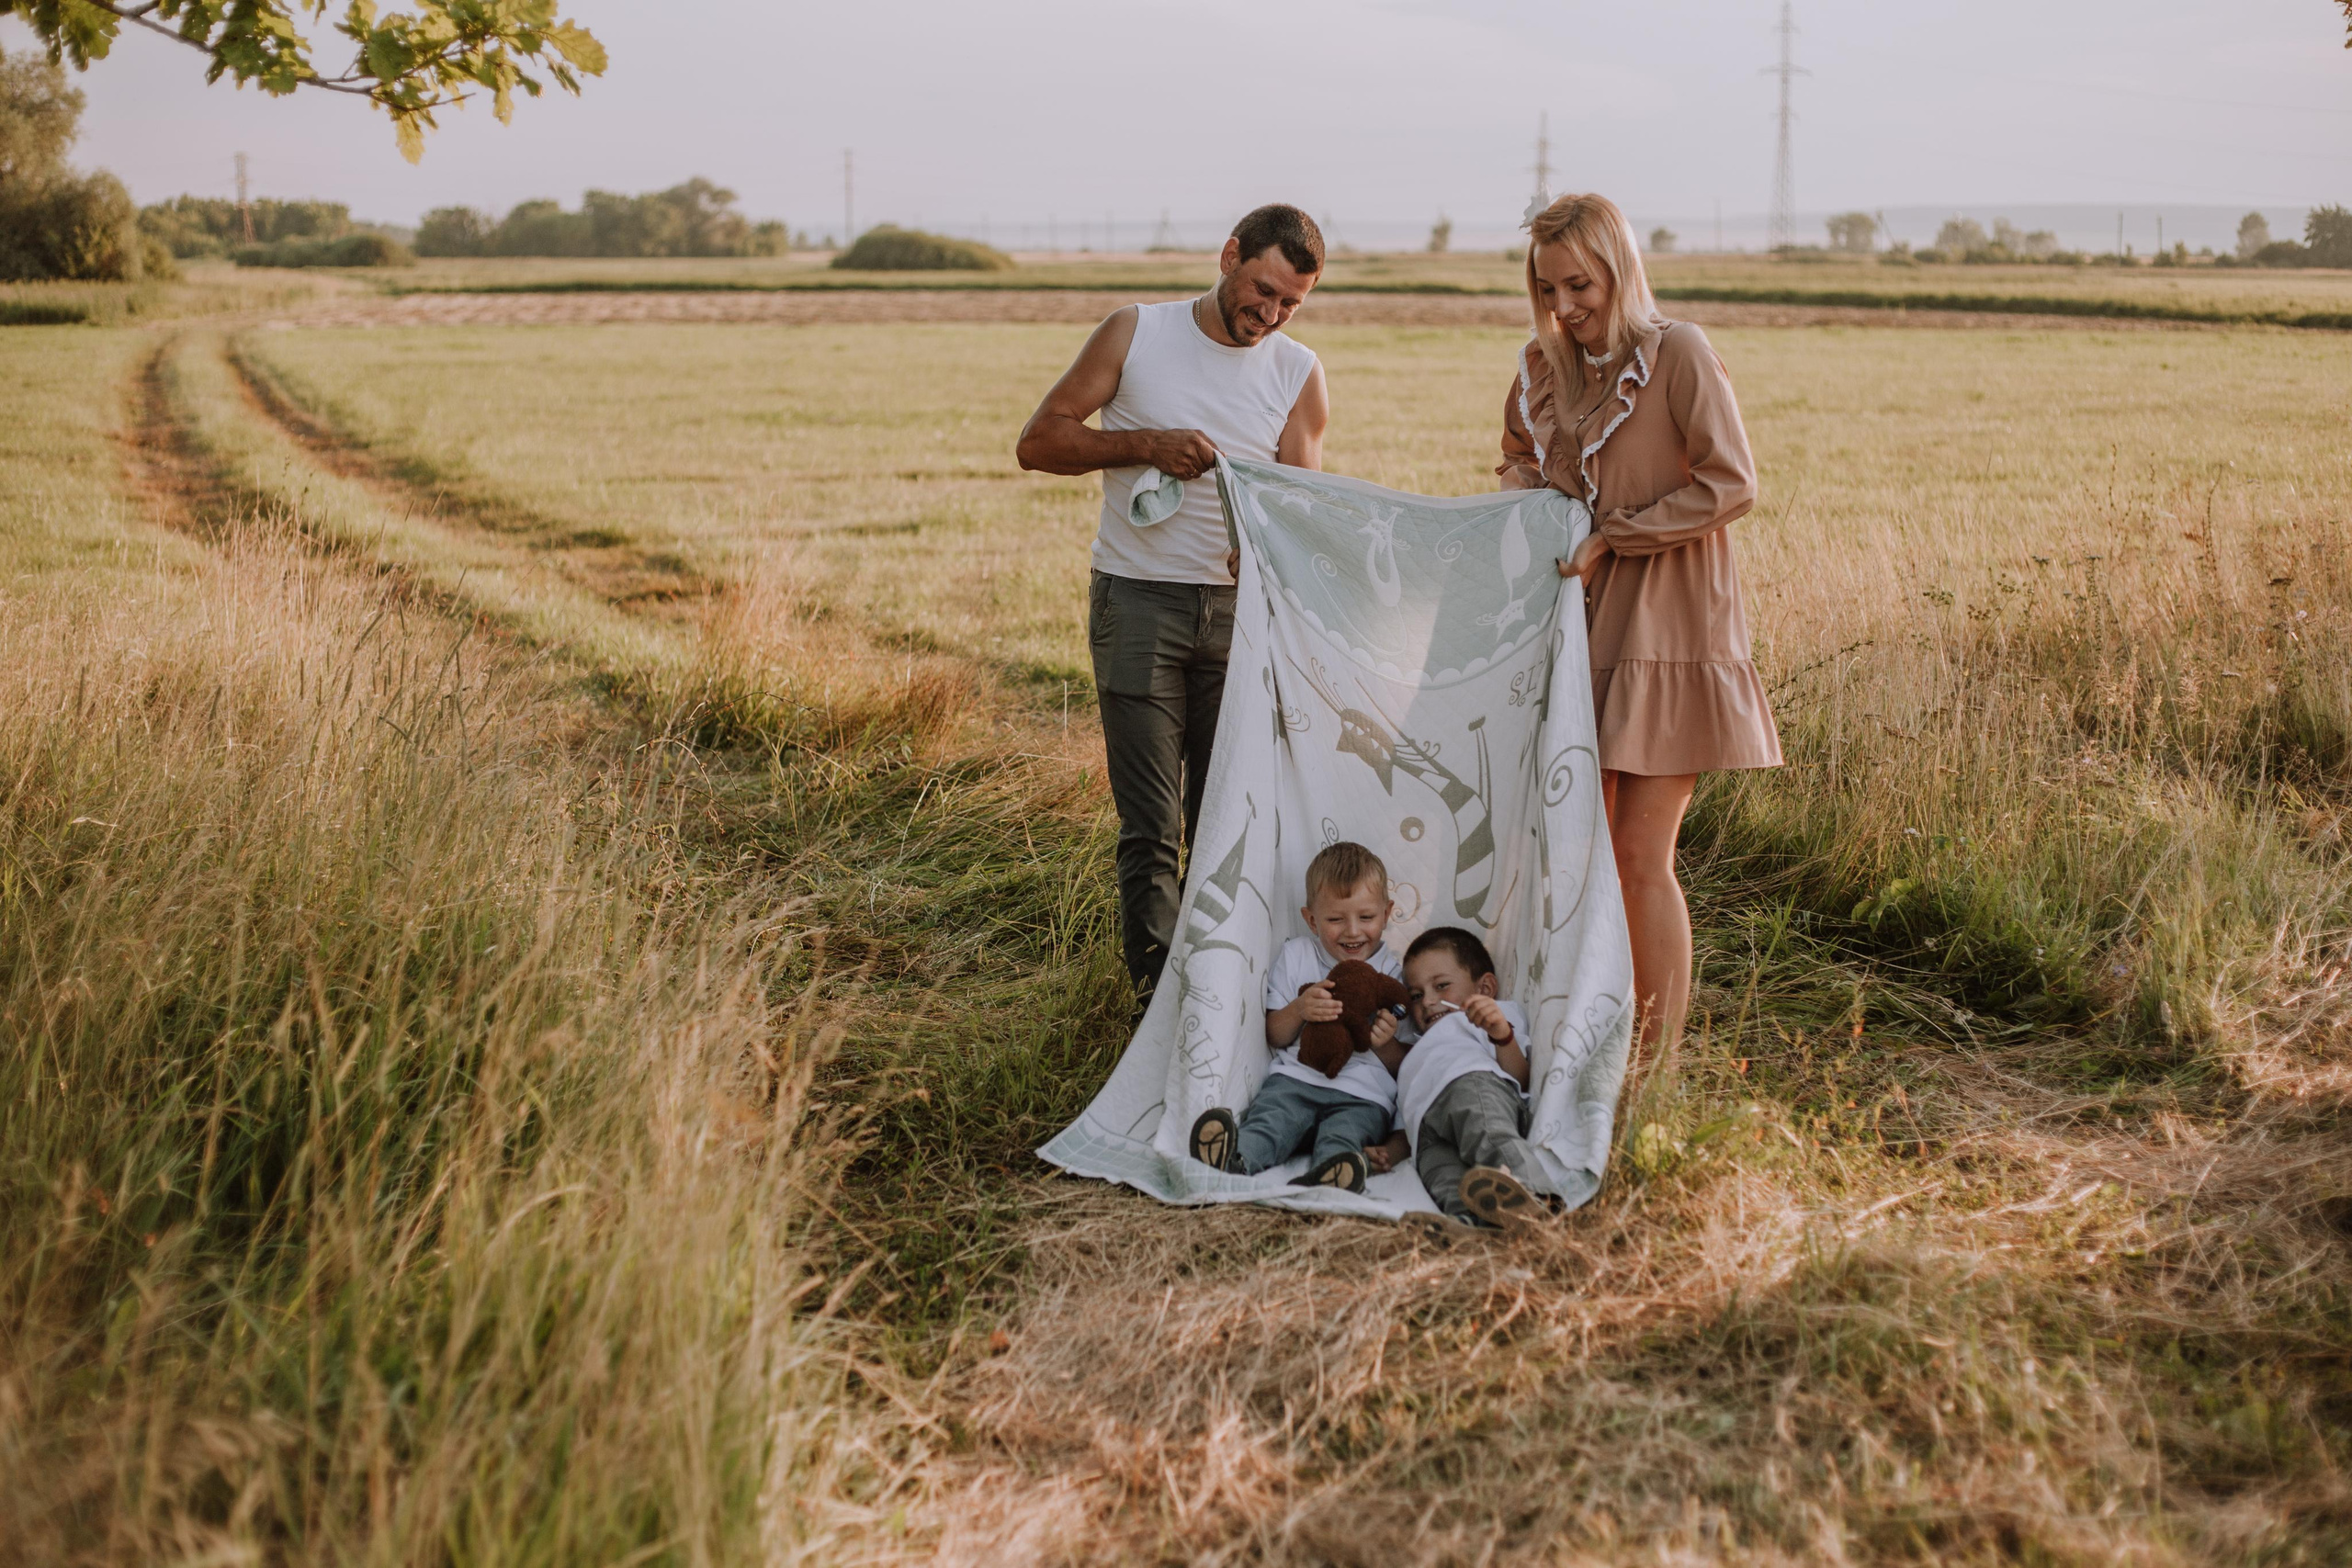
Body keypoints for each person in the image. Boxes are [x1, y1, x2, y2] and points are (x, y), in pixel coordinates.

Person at [1015, 205, 1332, 1018]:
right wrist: (1145, 444)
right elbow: (1039, 441)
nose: (1271, 313)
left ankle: (1215, 994)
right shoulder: (1136, 333)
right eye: (1263, 290)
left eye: (1291, 303)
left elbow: (1297, 508)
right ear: (1229, 256)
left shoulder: (1299, 373)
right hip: (1137, 603)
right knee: (1152, 825)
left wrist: (1264, 550)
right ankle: (1156, 1008)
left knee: (1223, 820)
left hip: (1240, 620)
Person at [1498, 193, 1782, 1059]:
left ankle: (1651, 1068)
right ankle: (1583, 1039)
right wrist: (1531, 507)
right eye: (1547, 289)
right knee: (1573, 854)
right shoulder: (1542, 368)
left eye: (1579, 285)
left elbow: (1731, 483)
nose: (1563, 306)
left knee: (1637, 855)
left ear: (1618, 271)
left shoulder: (1679, 353)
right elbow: (1516, 458)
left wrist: (1614, 535)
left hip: (1669, 627)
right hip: (1573, 629)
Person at [1186, 841, 1404, 1194]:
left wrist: (1384, 1042)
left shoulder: (1394, 974)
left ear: (1387, 912)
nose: (1352, 931)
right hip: (1295, 1081)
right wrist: (1300, 1009)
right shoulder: (1297, 955)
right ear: (1311, 919)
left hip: (1363, 1095)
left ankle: (1332, 1175)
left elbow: (1404, 1065)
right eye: (1335, 919)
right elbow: (1275, 1035)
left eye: (1366, 917)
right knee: (1271, 1123)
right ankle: (1233, 1158)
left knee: (1344, 1134)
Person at [1365, 926, 1553, 1233]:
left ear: (1485, 988)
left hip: (1472, 1086)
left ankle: (1536, 1196)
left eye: (1441, 986)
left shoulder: (1490, 1017)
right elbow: (1404, 1110)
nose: (1428, 1001)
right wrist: (1388, 1153)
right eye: (1416, 995)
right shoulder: (1416, 1049)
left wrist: (1501, 1034)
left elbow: (1519, 1077)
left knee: (1489, 1136)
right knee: (1444, 1177)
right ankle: (1471, 1228)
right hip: (1426, 1129)